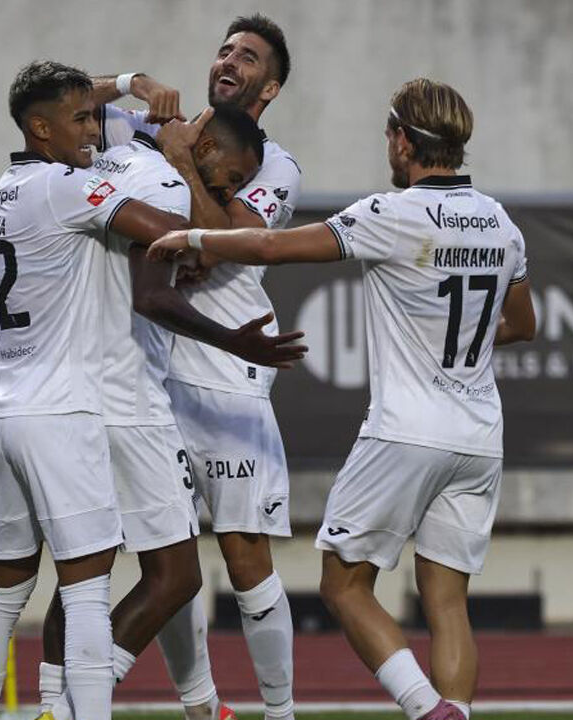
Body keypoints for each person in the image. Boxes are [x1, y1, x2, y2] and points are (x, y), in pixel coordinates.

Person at [147, 77, 538, 720]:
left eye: (389, 131)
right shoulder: (501, 222)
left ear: (403, 139)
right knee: (447, 602)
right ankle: (457, 713)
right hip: (479, 435)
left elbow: (272, 245)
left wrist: (194, 239)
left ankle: (424, 709)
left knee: (344, 581)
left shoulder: (392, 213)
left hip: (406, 428)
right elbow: (522, 325)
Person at [0, 60, 292, 720]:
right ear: (203, 149)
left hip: (6, 402)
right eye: (226, 178)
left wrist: (129, 80)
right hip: (108, 400)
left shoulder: (53, 174)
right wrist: (236, 337)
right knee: (163, 577)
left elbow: (68, 100)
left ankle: (54, 703)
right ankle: (69, 711)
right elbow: (162, 285)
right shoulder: (149, 181)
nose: (222, 190)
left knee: (20, 586)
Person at [89, 15, 302, 720]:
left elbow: (219, 246)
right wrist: (130, 83)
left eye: (248, 57)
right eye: (225, 49)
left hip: (229, 370)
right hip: (154, 367)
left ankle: (280, 710)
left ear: (268, 86)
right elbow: (60, 105)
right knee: (169, 555)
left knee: (244, 559)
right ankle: (204, 707)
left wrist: (182, 160)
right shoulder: (153, 123)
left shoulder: (277, 164)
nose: (229, 61)